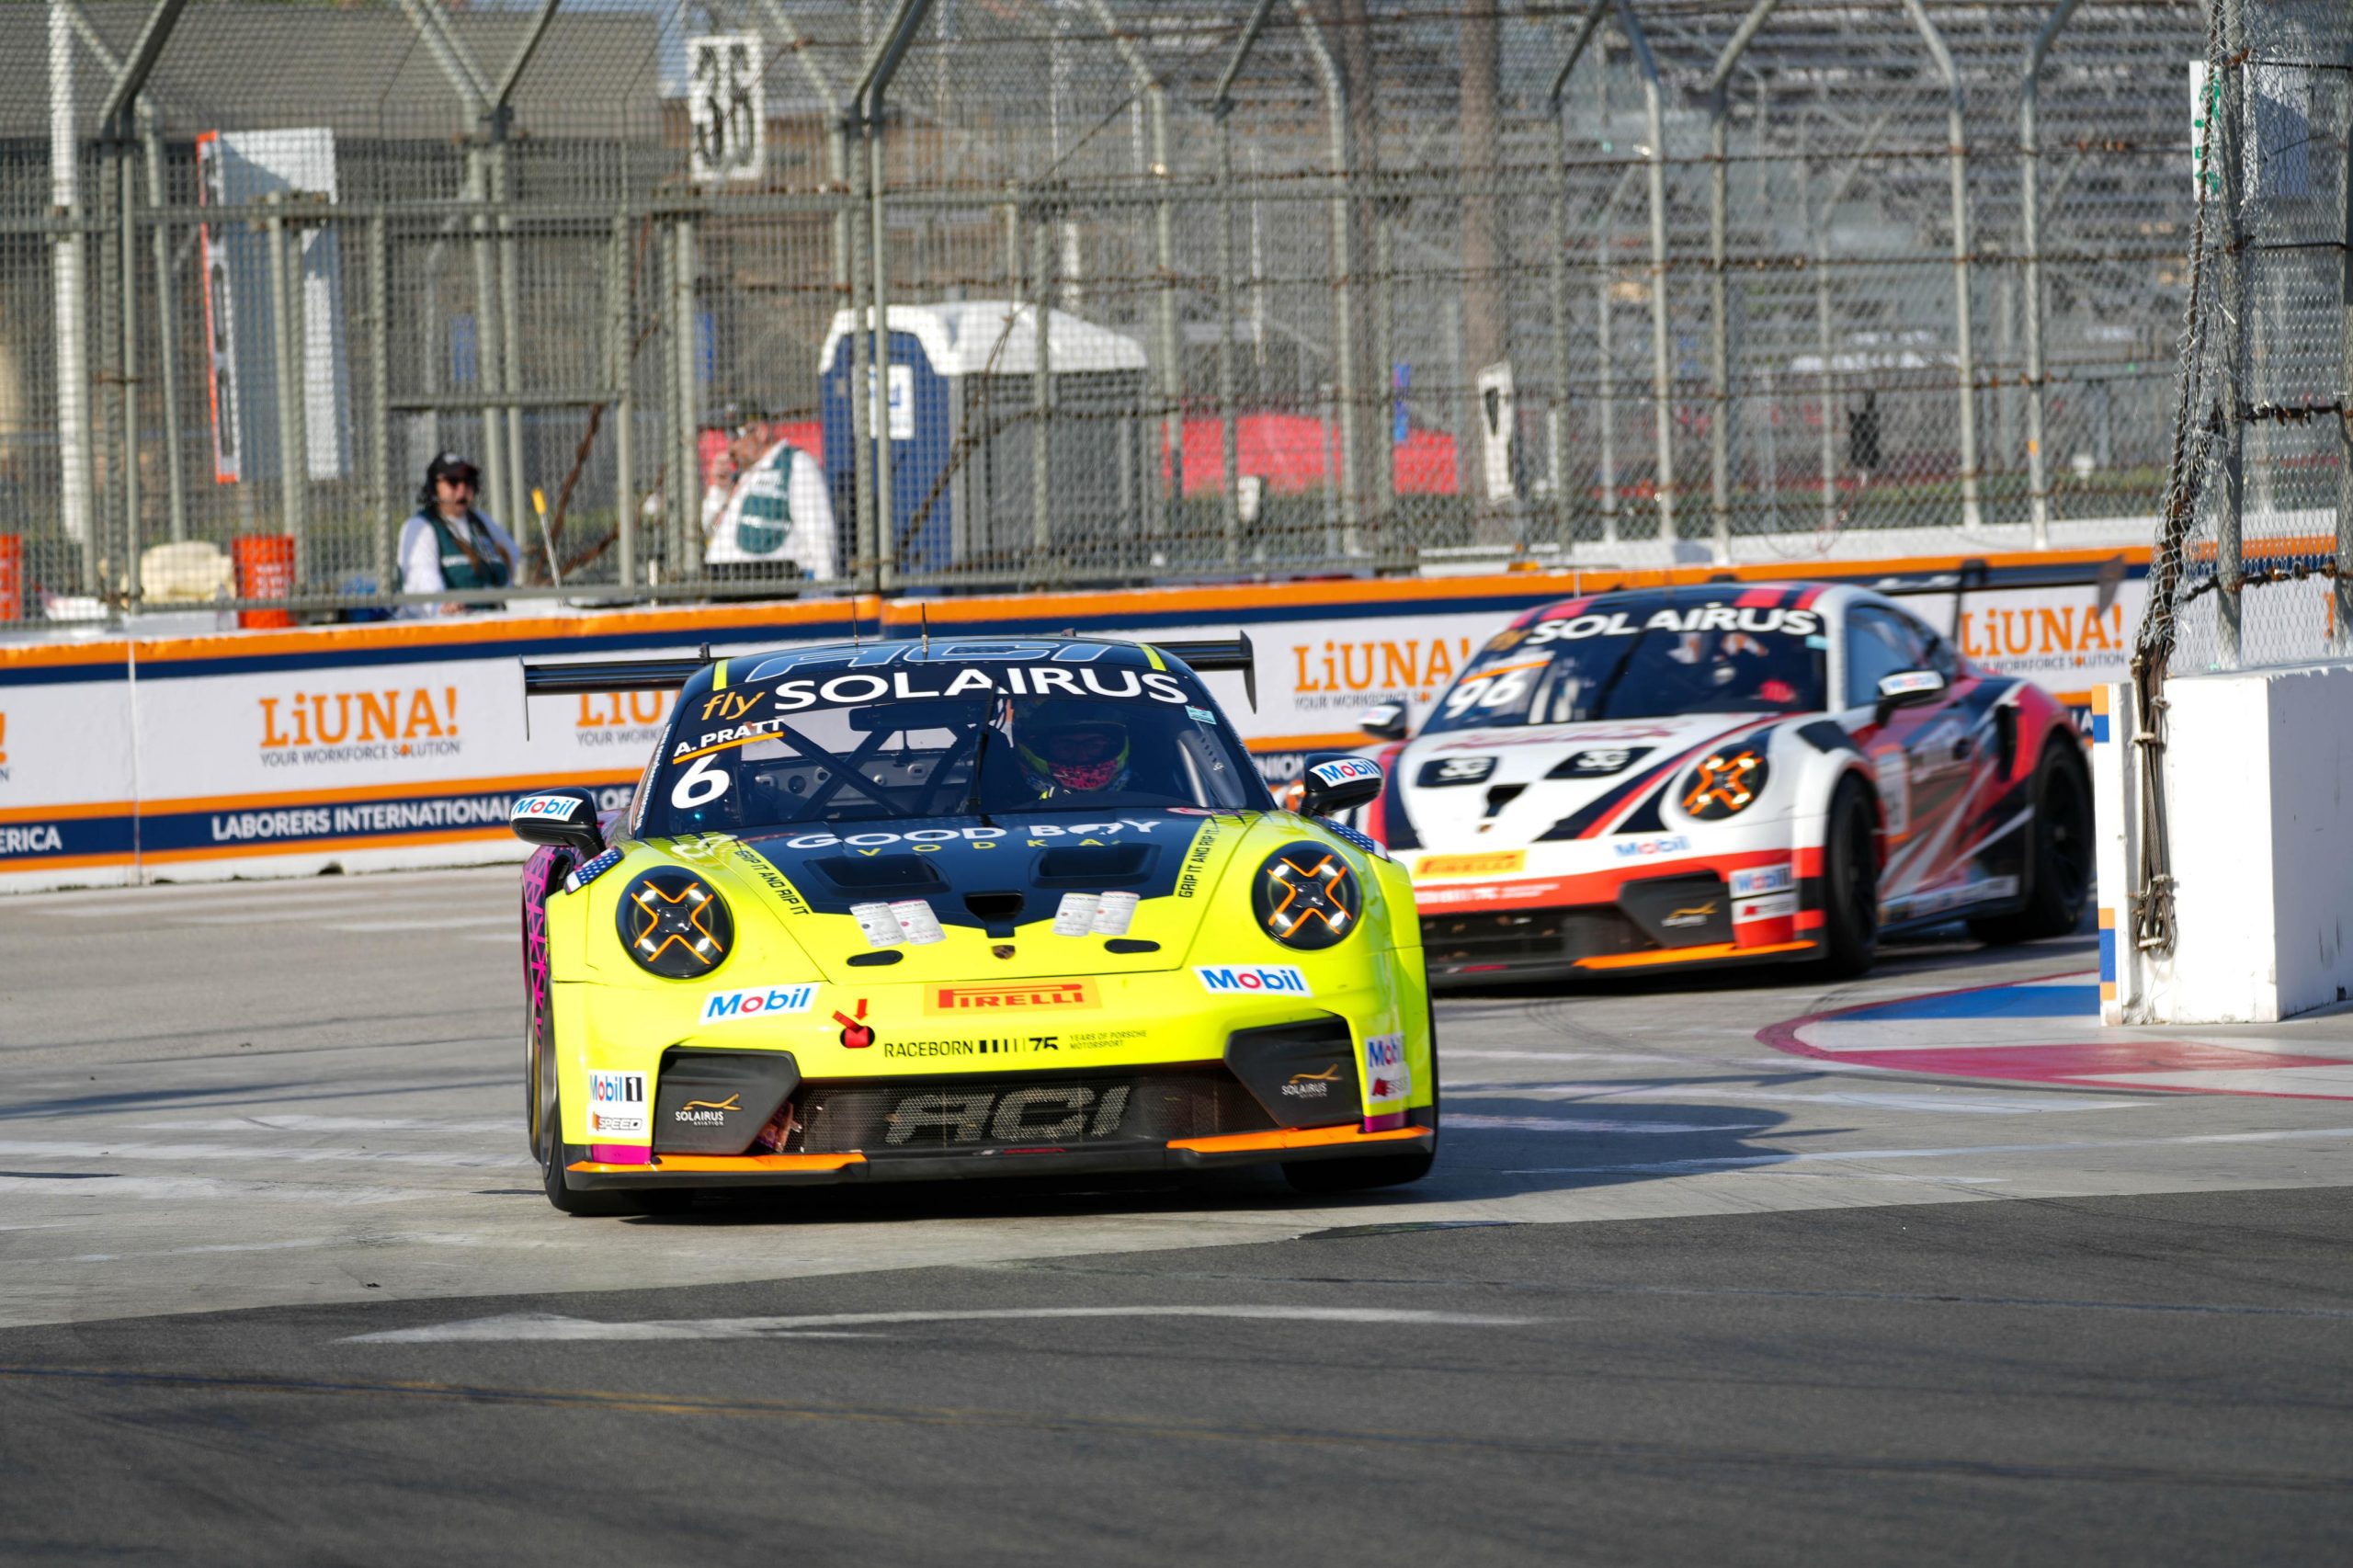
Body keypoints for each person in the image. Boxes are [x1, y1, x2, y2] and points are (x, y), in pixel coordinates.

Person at [701, 403, 836, 584]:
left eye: (735, 435)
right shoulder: (740, 477)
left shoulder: (795, 464)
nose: (730, 446)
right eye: (727, 436)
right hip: (726, 586)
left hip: (769, 586)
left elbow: (818, 535)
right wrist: (719, 490)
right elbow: (711, 531)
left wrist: (824, 592)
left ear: (760, 432)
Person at [396, 452, 519, 616]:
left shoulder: (480, 522)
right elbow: (422, 577)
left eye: (467, 481)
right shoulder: (421, 526)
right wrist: (440, 606)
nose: (462, 489)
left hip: (489, 620)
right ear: (434, 488)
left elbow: (513, 557)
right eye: (453, 482)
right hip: (443, 628)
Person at [1011, 700, 1131, 800]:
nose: (1082, 756)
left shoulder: (1147, 791)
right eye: (1066, 747)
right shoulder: (998, 796)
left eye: (1093, 746)